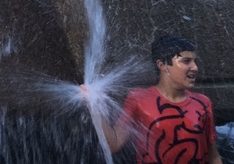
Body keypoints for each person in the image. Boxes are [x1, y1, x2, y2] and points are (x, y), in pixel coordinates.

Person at [88, 35, 221, 164]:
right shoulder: (138, 99)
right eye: (186, 61)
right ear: (162, 65)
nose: (195, 68)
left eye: (194, 61)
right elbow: (114, 144)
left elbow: (213, 157)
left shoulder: (202, 103)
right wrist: (95, 106)